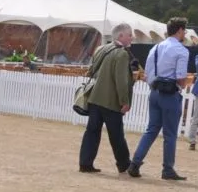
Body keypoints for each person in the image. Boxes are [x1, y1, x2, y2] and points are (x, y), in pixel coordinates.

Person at [131, 18, 190, 180]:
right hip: (170, 93)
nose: (185, 33)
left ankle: (135, 163)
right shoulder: (181, 51)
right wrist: (182, 85)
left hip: (155, 92)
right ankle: (167, 168)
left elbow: (149, 74)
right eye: (184, 30)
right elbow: (181, 77)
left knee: (151, 130)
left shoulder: (156, 48)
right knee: (170, 134)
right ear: (179, 30)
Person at [78, 23, 135, 174]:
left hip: (95, 98)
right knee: (117, 135)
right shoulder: (121, 54)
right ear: (121, 36)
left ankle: (85, 163)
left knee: (92, 132)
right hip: (111, 101)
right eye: (129, 34)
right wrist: (125, 101)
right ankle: (124, 164)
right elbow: (121, 81)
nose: (131, 37)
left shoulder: (101, 49)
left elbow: (91, 71)